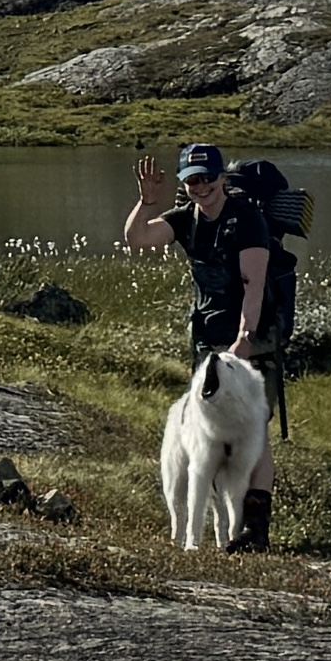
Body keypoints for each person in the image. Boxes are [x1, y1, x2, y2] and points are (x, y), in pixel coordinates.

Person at [124, 142, 279, 552]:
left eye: (207, 178)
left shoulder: (247, 221)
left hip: (252, 344)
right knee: (208, 432)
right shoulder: (184, 219)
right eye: (192, 180)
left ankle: (254, 529)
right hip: (208, 344)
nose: (201, 186)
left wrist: (245, 338)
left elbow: (254, 284)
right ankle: (223, 526)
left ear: (222, 179)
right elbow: (138, 238)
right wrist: (145, 202)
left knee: (253, 431)